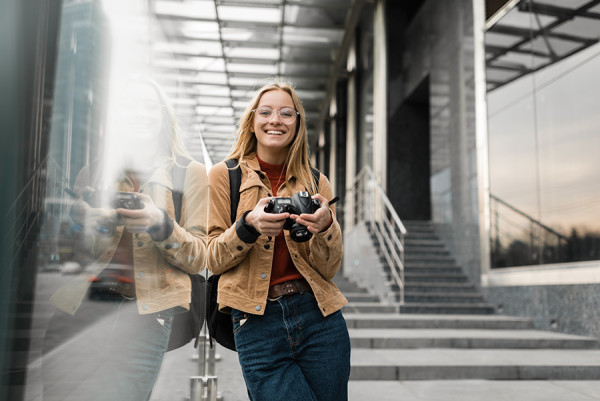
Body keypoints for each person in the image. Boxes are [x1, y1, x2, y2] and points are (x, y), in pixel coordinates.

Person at [45, 77, 207, 401]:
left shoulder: (190, 173)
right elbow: (75, 255)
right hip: (83, 307)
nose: (140, 114)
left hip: (145, 315)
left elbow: (201, 255)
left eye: (149, 106)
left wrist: (160, 225)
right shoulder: (95, 172)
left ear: (162, 115)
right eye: (130, 106)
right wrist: (84, 224)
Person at [205, 82, 351, 401]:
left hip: (320, 317)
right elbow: (213, 258)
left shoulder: (315, 181)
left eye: (287, 113)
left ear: (297, 124)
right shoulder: (224, 175)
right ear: (252, 120)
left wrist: (326, 226)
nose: (276, 120)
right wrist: (248, 225)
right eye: (266, 112)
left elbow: (329, 268)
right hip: (257, 320)